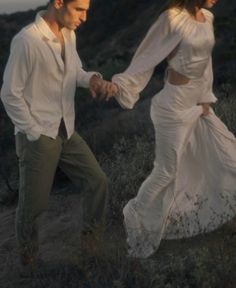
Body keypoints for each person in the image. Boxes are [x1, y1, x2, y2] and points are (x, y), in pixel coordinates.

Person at [111, 0, 236, 258]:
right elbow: (146, 57)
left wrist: (205, 97)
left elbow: (206, 62)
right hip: (173, 106)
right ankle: (135, 215)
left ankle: (217, 214)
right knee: (167, 171)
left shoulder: (208, 18)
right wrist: (120, 86)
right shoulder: (172, 18)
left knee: (227, 152)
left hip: (198, 104)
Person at [0, 0, 117, 265]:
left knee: (98, 182)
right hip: (39, 136)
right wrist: (33, 131)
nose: (84, 17)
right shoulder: (27, 41)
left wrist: (94, 80)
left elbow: (75, 72)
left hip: (67, 129)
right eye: (80, 9)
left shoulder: (68, 34)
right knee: (33, 207)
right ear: (59, 3)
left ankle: (91, 249)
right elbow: (9, 94)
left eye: (87, 10)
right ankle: (29, 264)